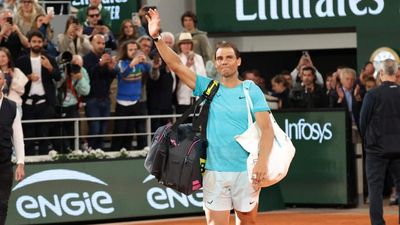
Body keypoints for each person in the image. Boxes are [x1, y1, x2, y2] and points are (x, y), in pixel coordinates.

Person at [146, 9, 274, 225]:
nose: (224, 62)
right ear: (215, 63)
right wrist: (157, 38)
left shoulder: (250, 89)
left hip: (247, 171)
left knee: (247, 222)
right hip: (214, 171)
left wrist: (262, 163)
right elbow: (176, 65)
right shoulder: (209, 87)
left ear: (238, 61)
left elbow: (267, 129)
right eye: (220, 58)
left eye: (229, 57)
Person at [359, 59, 400, 225]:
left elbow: (363, 121)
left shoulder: (372, 94)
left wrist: (368, 141)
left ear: (381, 73)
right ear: (397, 73)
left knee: (375, 190)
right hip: (399, 149)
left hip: (376, 150)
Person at [16, 30, 61, 155]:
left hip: (45, 103)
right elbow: (16, 81)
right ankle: (29, 162)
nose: (37, 44)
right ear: (29, 43)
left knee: (44, 136)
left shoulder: (49, 58)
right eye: (34, 41)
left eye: (39, 42)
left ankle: (43, 160)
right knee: (28, 136)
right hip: (27, 103)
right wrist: (28, 77)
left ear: (43, 43)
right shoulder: (21, 61)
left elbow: (58, 77)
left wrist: (49, 67)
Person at [0, 69, 25, 225]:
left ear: (3, 82)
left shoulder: (12, 106)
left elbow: (18, 137)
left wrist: (20, 163)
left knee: (2, 204)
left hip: (4, 164)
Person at [0, 47, 28, 114]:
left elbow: (21, 91)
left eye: (3, 56)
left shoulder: (17, 71)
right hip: (0, 105)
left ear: (8, 58)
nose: (1, 59)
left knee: (16, 124)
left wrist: (13, 78)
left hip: (15, 105)